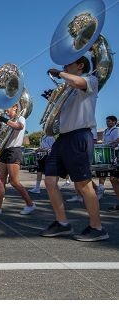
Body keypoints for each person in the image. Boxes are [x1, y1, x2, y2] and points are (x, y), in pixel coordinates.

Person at [42, 57, 109, 241]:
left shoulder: (90, 80)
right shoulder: (67, 90)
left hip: (79, 135)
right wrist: (53, 100)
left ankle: (97, 227)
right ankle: (62, 223)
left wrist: (60, 73)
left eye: (68, 64)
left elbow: (77, 81)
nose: (64, 67)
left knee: (82, 184)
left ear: (80, 66)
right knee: (49, 180)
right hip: (63, 138)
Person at [0, 105, 36, 215]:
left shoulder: (20, 118)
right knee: (1, 181)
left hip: (14, 151)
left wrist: (4, 120)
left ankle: (30, 204)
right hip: (5, 151)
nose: (5, 111)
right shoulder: (8, 121)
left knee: (14, 182)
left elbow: (19, 126)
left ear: (15, 107)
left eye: (7, 108)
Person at [96, 116, 118, 197]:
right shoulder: (105, 131)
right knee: (102, 172)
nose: (107, 122)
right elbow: (103, 141)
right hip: (106, 154)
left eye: (109, 121)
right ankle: (100, 190)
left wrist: (108, 145)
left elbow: (117, 140)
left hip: (115, 153)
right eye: (106, 121)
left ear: (114, 122)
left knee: (113, 177)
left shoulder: (116, 130)